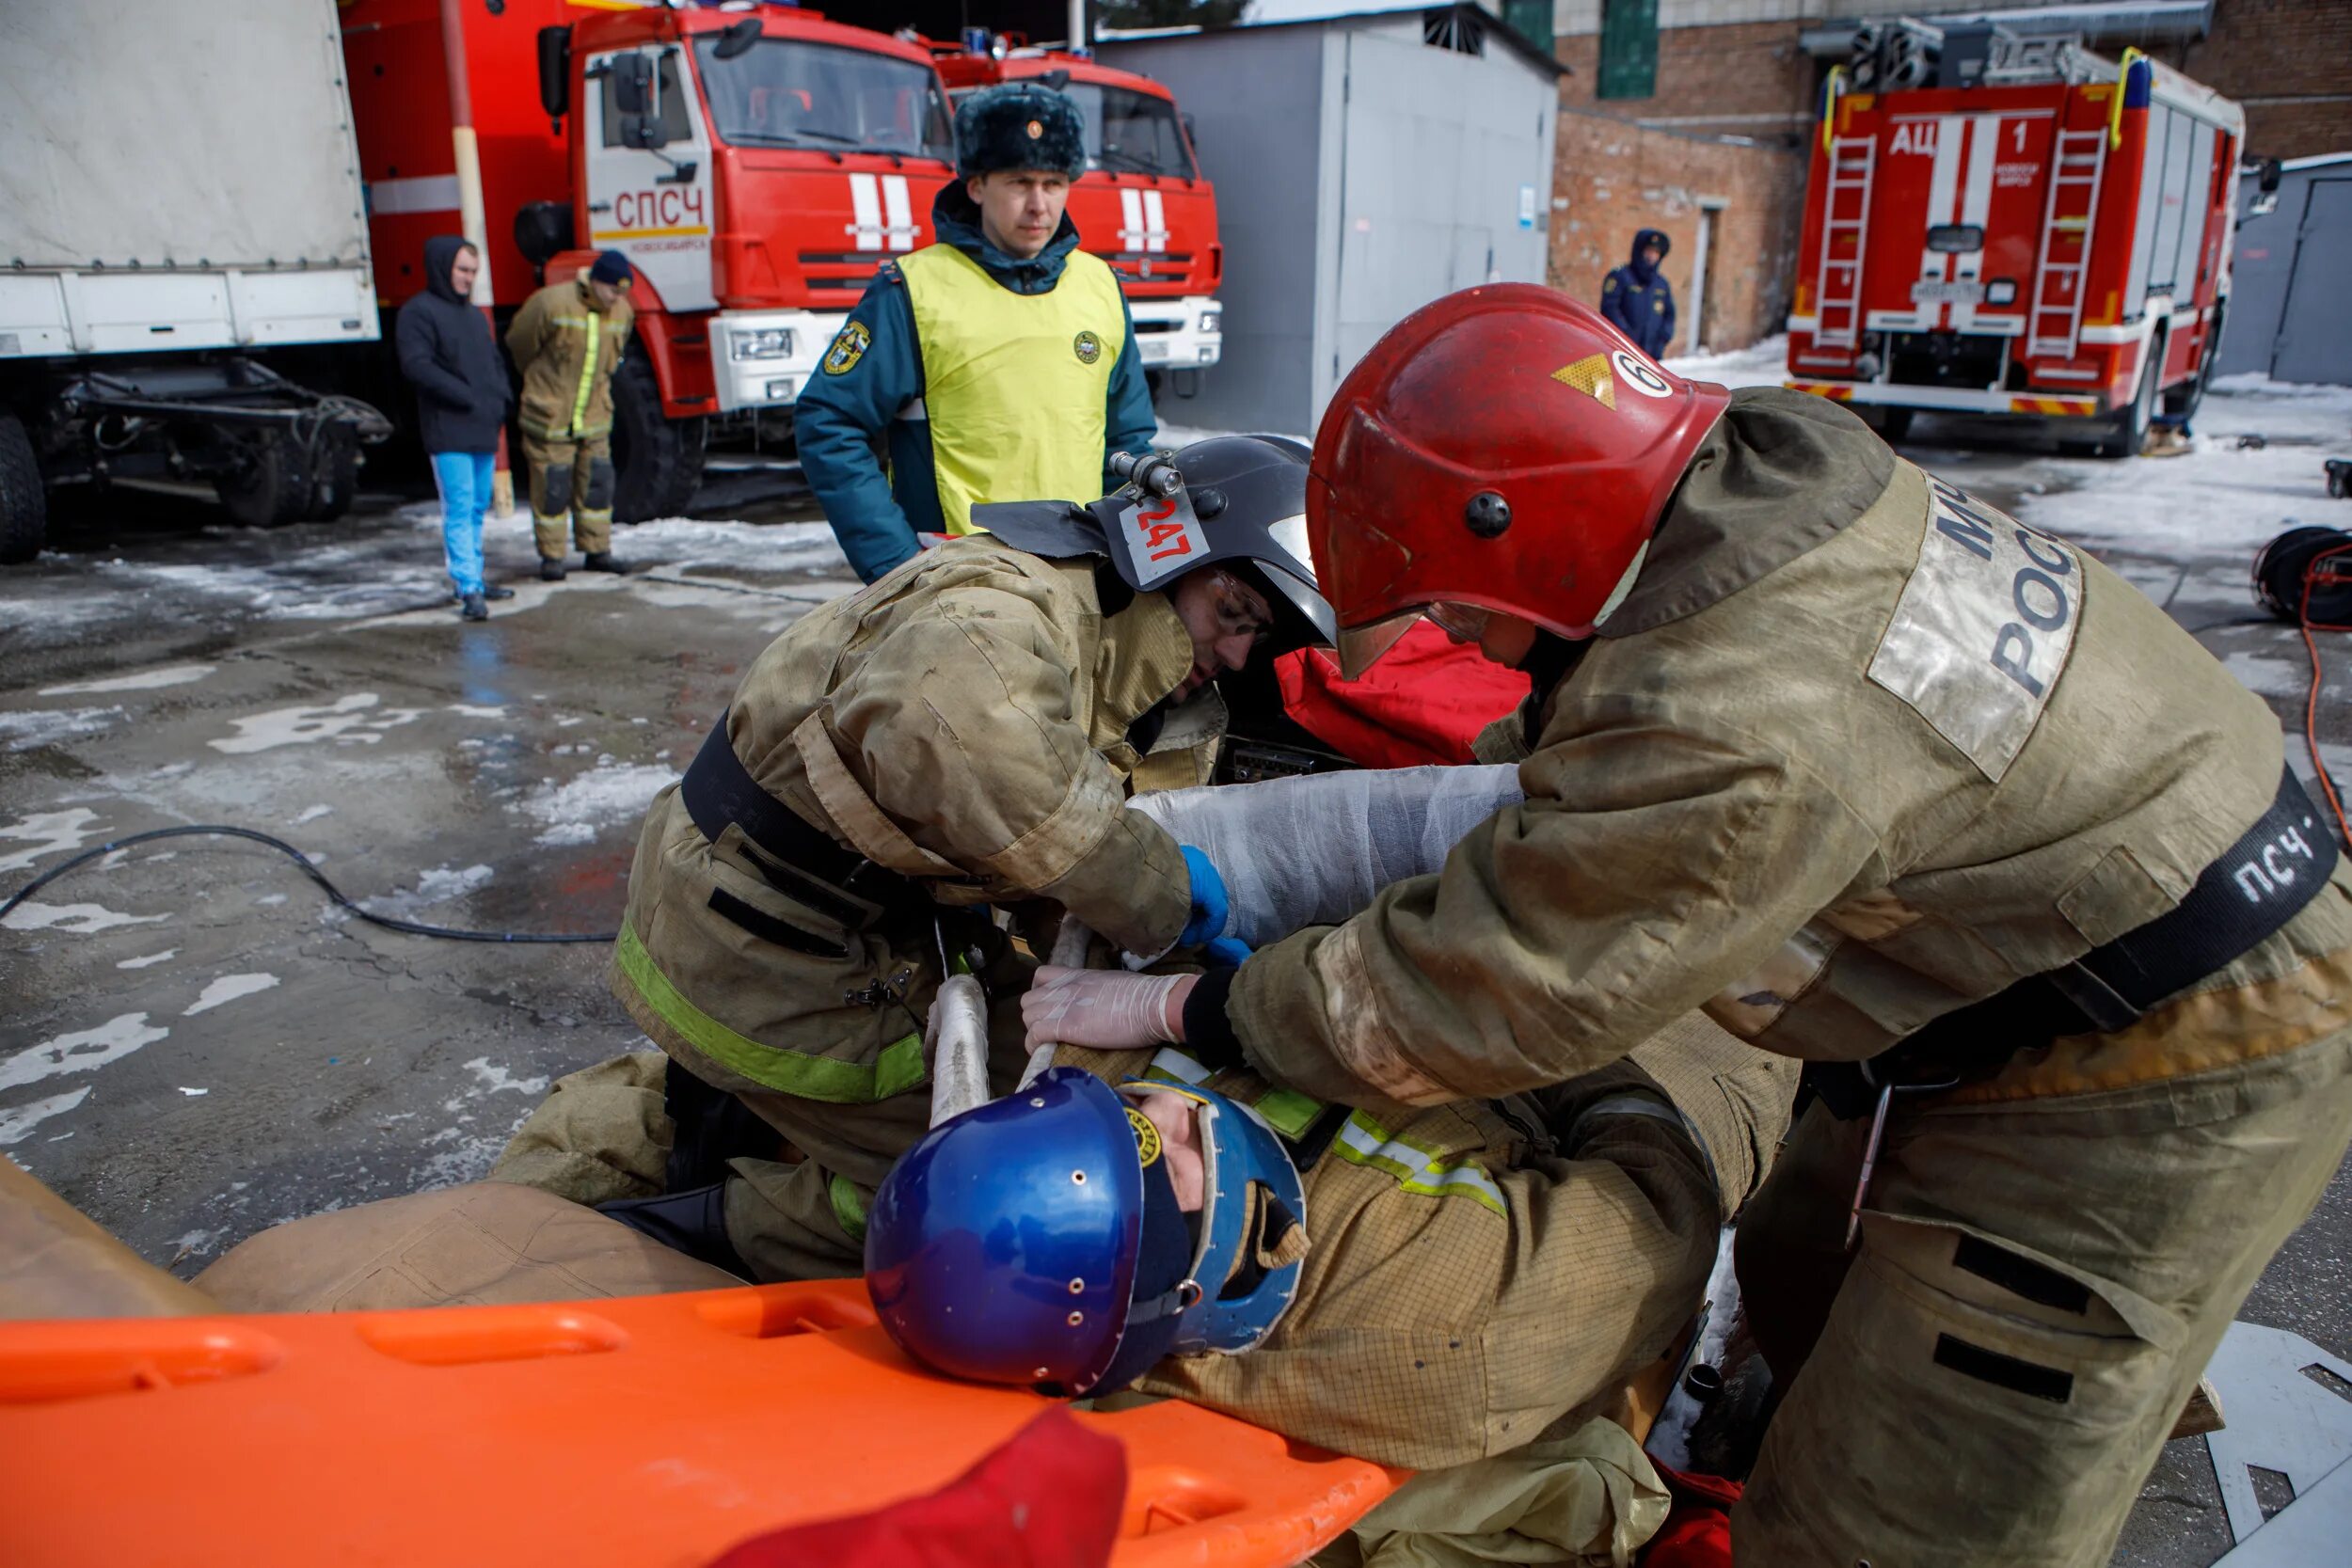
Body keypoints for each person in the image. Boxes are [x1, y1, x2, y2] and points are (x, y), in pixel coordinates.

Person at [1021, 285, 2352, 1567]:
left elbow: (1483, 994)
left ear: (1522, 526)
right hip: (2078, 929)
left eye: (1446, 602)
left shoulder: (1743, 711)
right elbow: (1608, 756)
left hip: (2156, 1055)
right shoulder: (1762, 478)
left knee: (1909, 1505)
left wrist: (1194, 1008)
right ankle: (1856, 1421)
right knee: (1799, 1252)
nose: (1456, 639)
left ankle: (1948, 1461)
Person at [488, 436, 1332, 1284]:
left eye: (1253, 636)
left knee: (1076, 1086)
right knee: (998, 1190)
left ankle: (731, 1117)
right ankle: (690, 1217)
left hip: (871, 934)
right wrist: (1159, 893)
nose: (1234, 656)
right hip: (768, 959)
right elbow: (961, 732)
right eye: (1232, 615)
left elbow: (1020, 838)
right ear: (1169, 546)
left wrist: (1172, 966)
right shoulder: (999, 613)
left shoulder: (1110, 647)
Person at [868, 1016, 1795, 1479]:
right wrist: (1556, 1043)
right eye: (1159, 1150)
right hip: (1646, 1073)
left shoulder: (1097, 1199)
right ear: (1177, 1280)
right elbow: (1665, 1217)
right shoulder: (1452, 1318)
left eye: (1122, 1114)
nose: (1163, 1109)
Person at [795, 82, 1156, 584]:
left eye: (1054, 183)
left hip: (1081, 579)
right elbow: (829, 422)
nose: (1039, 205)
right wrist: (896, 565)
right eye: (1019, 182)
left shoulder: (1100, 287)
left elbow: (1127, 440)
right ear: (977, 185)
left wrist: (1123, 559)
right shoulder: (911, 290)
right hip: (959, 588)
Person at [393, 236, 512, 621]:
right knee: (460, 506)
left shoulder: (474, 316)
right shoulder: (418, 312)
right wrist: (464, 395)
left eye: (473, 271)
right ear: (443, 268)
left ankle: (473, 576)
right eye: (462, 270)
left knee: (478, 505)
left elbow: (492, 362)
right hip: (449, 427)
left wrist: (499, 399)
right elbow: (417, 365)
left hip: (480, 423)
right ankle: (468, 586)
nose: (468, 278)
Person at [507, 249, 635, 581]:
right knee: (552, 487)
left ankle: (597, 550)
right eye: (612, 290)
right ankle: (552, 557)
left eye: (622, 293)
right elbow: (520, 344)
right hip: (550, 414)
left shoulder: (622, 311)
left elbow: (614, 357)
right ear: (594, 281)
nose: (616, 299)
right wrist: (543, 386)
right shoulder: (550, 304)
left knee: (596, 485)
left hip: (593, 414)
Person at [1600, 228, 1677, 359]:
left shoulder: (1661, 283)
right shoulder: (1620, 277)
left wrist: (1662, 339)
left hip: (1652, 356)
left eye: (1656, 252)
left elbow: (1669, 314)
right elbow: (1609, 308)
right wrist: (1625, 336)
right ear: (1639, 251)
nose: (1652, 256)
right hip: (1621, 351)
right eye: (1649, 251)